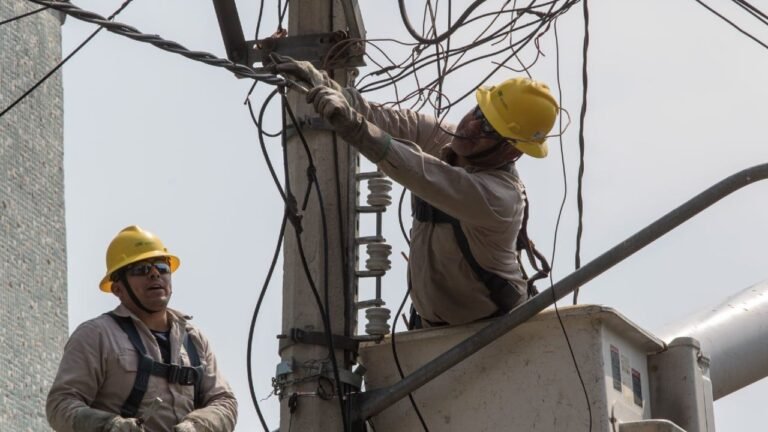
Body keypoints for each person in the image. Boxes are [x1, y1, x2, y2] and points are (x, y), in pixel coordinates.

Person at [273, 57, 558, 328]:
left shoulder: (499, 198)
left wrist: (355, 126)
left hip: (495, 334)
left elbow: (419, 170)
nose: (471, 126)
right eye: (479, 113)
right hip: (431, 331)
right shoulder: (453, 141)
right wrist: (327, 86)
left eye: (489, 129)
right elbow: (392, 121)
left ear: (511, 150)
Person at [47, 226, 237, 432]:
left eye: (162, 267)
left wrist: (196, 426)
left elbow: (224, 402)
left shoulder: (193, 340)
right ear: (118, 288)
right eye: (141, 269)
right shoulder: (97, 335)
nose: (155, 274)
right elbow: (60, 405)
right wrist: (111, 426)